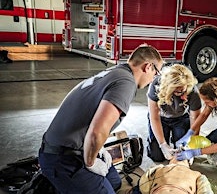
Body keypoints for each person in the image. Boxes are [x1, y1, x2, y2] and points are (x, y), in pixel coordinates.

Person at [38, 44, 163, 193]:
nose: (154, 78)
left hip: (67, 147)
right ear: (148, 67)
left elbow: (90, 115)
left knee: (115, 182)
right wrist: (91, 163)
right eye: (157, 72)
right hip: (63, 159)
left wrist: (99, 149)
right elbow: (98, 131)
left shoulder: (117, 71)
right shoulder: (127, 83)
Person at [146, 64, 202, 161]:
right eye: (176, 91)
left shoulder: (192, 91)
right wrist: (162, 144)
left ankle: (176, 139)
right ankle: (161, 141)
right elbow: (154, 117)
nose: (181, 94)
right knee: (157, 156)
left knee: (182, 153)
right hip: (161, 118)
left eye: (183, 90)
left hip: (181, 118)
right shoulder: (156, 85)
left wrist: (192, 145)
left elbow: (195, 121)